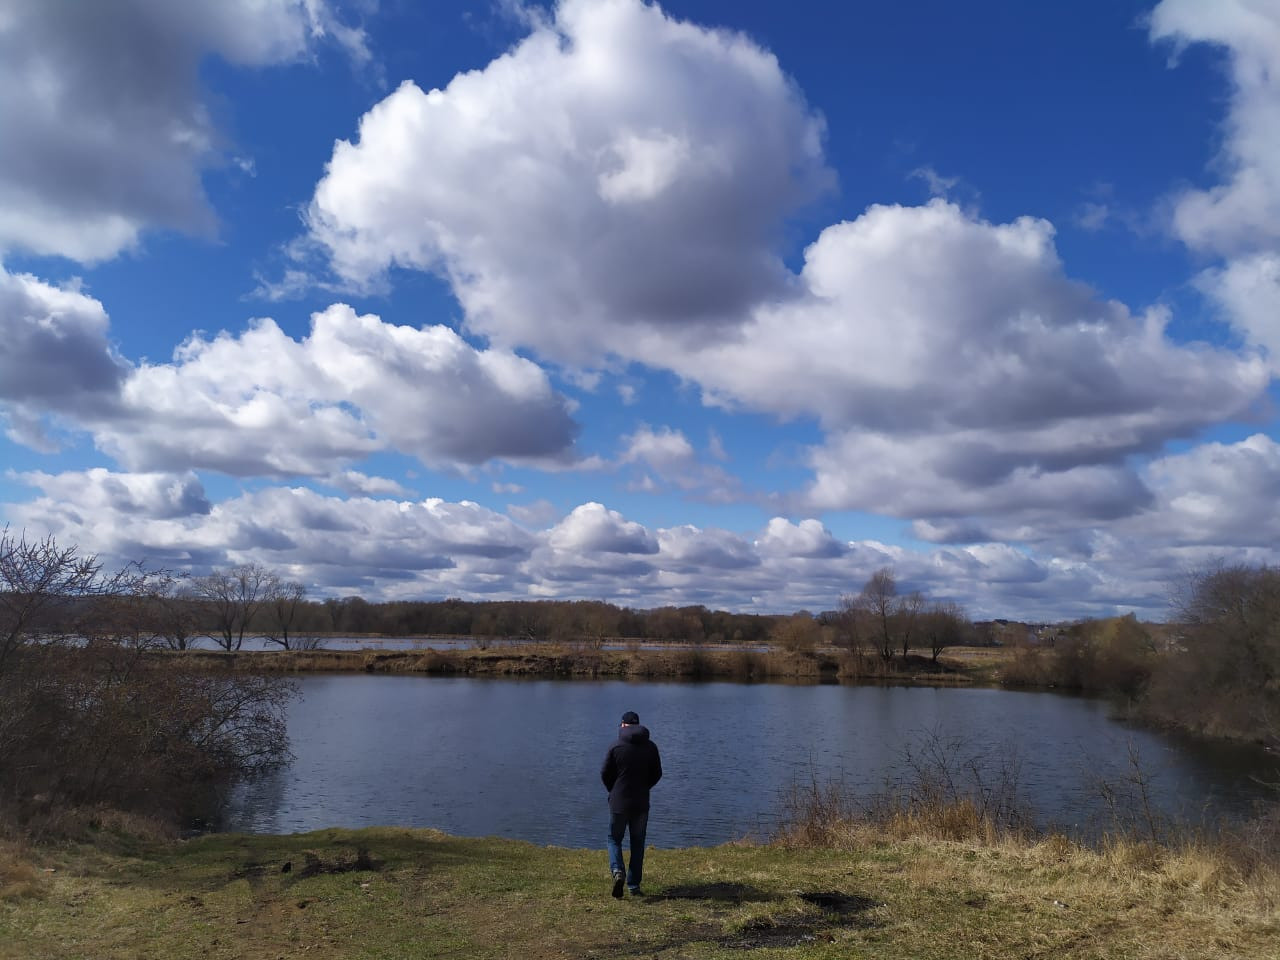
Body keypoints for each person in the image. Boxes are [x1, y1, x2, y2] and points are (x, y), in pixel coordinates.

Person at [600, 709, 662, 898]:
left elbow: (605, 773)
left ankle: (617, 871)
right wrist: (645, 787)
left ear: (624, 725)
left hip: (619, 802)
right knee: (637, 843)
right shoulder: (651, 747)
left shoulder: (615, 746)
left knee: (613, 839)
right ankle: (633, 886)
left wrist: (614, 790)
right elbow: (657, 774)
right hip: (641, 802)